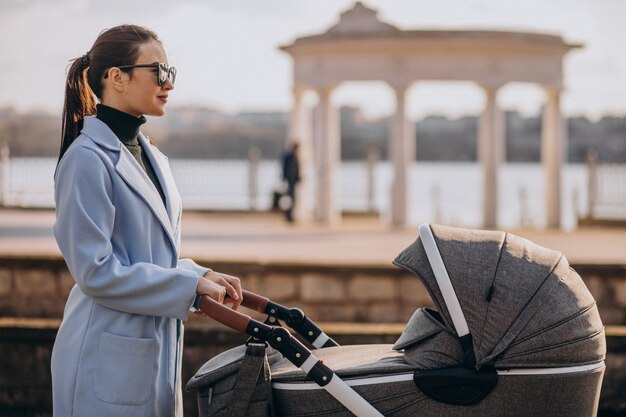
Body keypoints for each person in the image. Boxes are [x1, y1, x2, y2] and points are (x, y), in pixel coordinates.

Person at [52, 25, 243, 417]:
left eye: (170, 72)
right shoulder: (86, 159)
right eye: (158, 71)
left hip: (151, 352)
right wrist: (189, 286)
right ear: (116, 78)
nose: (168, 83)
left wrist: (200, 273)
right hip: (101, 358)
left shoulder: (151, 155)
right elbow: (95, 272)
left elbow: (149, 255)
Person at [281, 142, 300, 222]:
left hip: (292, 181)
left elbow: (295, 169)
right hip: (289, 181)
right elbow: (286, 169)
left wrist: (298, 177)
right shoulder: (290, 157)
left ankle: (290, 215)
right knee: (289, 199)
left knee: (292, 199)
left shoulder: (294, 157)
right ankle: (288, 215)